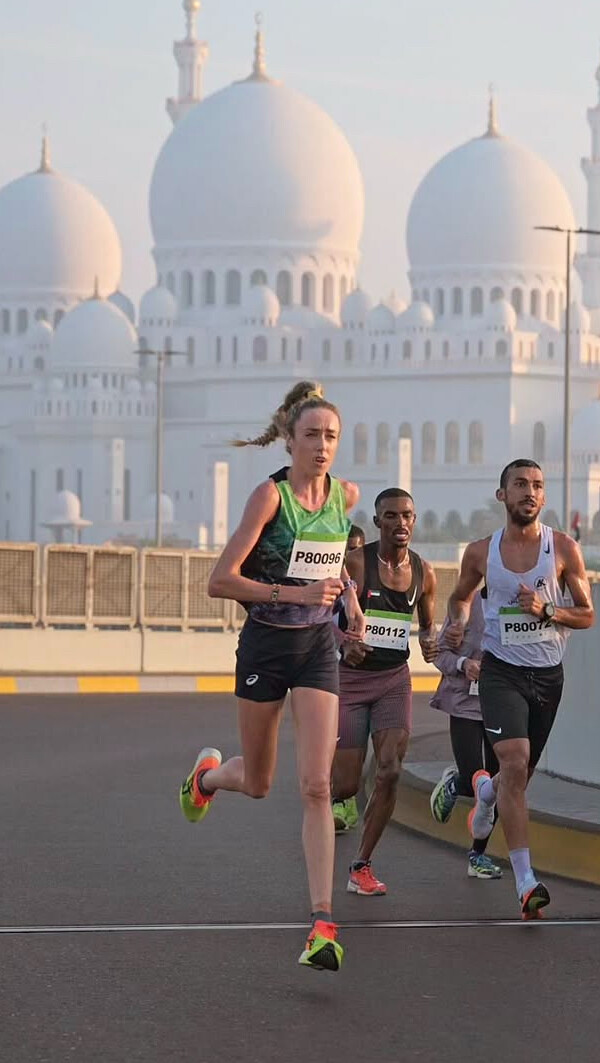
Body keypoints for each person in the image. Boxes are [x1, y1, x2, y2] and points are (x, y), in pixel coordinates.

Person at [178, 381, 364, 973]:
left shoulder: (346, 495)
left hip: (317, 649)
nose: (322, 446)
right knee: (259, 782)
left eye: (331, 436)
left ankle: (322, 924)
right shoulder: (269, 498)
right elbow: (221, 580)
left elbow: (332, 561)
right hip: (265, 647)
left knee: (316, 786)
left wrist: (348, 601)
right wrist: (294, 594)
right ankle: (207, 779)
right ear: (289, 438)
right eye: (311, 435)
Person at [445, 459, 595, 918]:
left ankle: (486, 795)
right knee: (514, 761)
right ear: (502, 495)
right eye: (520, 485)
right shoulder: (480, 553)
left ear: (543, 497)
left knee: (517, 778)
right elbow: (460, 596)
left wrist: (548, 610)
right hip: (501, 672)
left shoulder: (563, 548)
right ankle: (526, 881)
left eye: (537, 486)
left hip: (548, 676)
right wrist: (458, 622)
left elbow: (587, 614)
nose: (529, 492)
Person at [331, 488, 438, 895]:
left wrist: (431, 642)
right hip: (351, 682)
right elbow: (322, 616)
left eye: (407, 515)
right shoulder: (356, 564)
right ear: (377, 522)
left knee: (390, 770)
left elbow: (428, 626)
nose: (400, 523)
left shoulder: (425, 572)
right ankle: (319, 790)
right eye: (391, 516)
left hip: (394, 680)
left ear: (415, 520)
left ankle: (361, 865)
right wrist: (344, 643)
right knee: (344, 786)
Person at [428, 590, 504, 880]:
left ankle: (478, 855)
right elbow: (439, 653)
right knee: (475, 781)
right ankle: (457, 782)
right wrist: (465, 664)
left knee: (499, 785)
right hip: (464, 703)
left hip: (501, 706)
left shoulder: (519, 606)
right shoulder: (466, 605)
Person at [331, 523, 367, 834]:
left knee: (355, 738)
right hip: (329, 668)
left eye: (357, 549)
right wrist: (343, 641)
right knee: (334, 737)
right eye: (347, 550)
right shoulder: (329, 583)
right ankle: (336, 797)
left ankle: (346, 799)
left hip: (364, 672)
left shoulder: (371, 583)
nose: (352, 555)